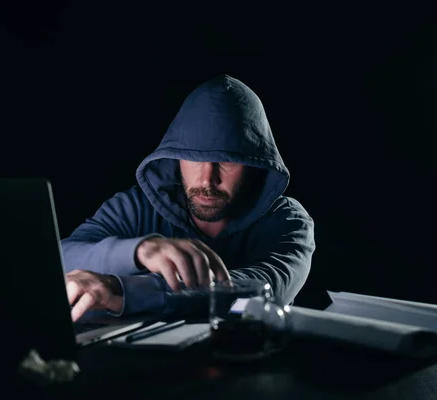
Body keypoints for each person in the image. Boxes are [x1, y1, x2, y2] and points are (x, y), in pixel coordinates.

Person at [61, 75, 316, 322]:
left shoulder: (287, 222)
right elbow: (60, 257)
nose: (207, 179)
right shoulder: (136, 208)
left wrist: (124, 291)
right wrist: (139, 250)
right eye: (193, 158)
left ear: (254, 166)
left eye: (226, 161)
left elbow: (261, 290)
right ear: (175, 158)